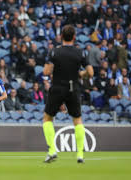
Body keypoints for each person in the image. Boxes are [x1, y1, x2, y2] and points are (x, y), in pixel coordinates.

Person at [42, 25, 94, 163]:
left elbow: (46, 72)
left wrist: (55, 68)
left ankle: (52, 150)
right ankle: (80, 154)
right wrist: (80, 74)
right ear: (74, 37)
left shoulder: (54, 52)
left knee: (47, 118)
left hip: (58, 87)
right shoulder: (80, 52)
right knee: (77, 120)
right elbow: (90, 73)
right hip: (73, 88)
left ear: (61, 37)